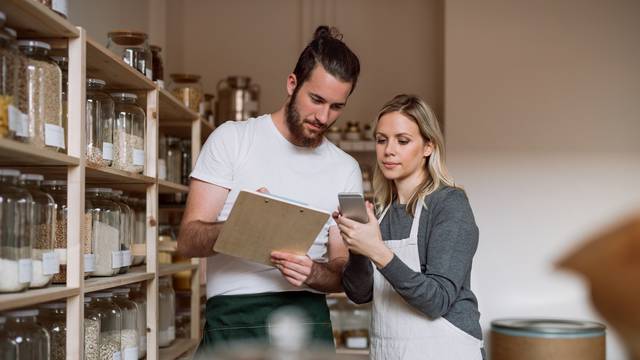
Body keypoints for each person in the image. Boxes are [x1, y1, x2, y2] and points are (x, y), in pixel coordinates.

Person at [178, 25, 362, 355]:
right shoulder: (231, 139)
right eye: (316, 99)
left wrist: (313, 273)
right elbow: (188, 240)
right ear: (292, 84)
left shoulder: (347, 168)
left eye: (336, 107)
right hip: (234, 317)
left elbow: (343, 272)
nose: (323, 117)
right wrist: (241, 224)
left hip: (309, 318)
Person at [337, 94, 485, 359]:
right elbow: (359, 294)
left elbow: (436, 300)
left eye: (402, 141)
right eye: (381, 140)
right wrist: (358, 246)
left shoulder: (449, 204)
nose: (388, 150)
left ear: (428, 146)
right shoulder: (380, 212)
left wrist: (378, 250)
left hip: (444, 349)